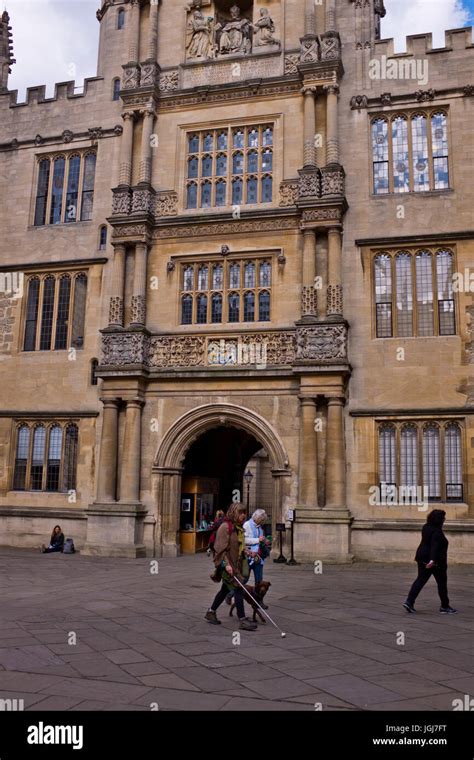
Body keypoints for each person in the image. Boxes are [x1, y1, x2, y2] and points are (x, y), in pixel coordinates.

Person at [205, 502, 258, 631]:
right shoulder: (225, 527)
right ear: (234, 513)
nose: (244, 515)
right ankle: (243, 620)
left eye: (245, 512)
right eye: (241, 513)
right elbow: (219, 549)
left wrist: (247, 551)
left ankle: (211, 612)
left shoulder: (238, 527)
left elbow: (238, 546)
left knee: (225, 590)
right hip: (226, 565)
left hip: (236, 565)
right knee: (238, 588)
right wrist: (226, 565)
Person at [403, 509, 457, 614]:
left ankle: (409, 601)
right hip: (435, 562)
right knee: (442, 583)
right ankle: (444, 606)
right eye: (443, 518)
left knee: (420, 580)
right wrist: (432, 560)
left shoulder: (426, 527)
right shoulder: (437, 532)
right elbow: (434, 546)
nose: (444, 520)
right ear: (439, 520)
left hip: (421, 558)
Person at [244, 509, 268, 586]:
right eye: (261, 520)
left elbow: (259, 540)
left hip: (258, 557)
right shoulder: (247, 525)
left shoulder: (259, 527)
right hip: (248, 556)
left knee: (259, 581)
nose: (262, 522)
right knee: (244, 579)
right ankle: (230, 595)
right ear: (257, 518)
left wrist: (264, 541)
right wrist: (258, 540)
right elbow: (244, 540)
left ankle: (258, 598)